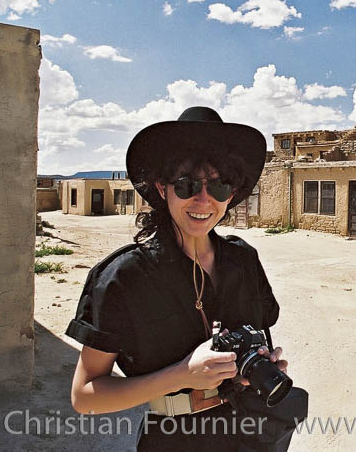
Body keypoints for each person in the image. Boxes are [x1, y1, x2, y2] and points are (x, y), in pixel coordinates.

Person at [66, 107, 292, 450]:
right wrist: (182, 374)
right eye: (187, 185)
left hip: (249, 434)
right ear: (162, 188)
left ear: (231, 194)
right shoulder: (123, 278)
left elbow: (259, 331)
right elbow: (85, 396)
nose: (203, 199)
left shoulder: (243, 260)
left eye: (218, 185)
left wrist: (255, 366)